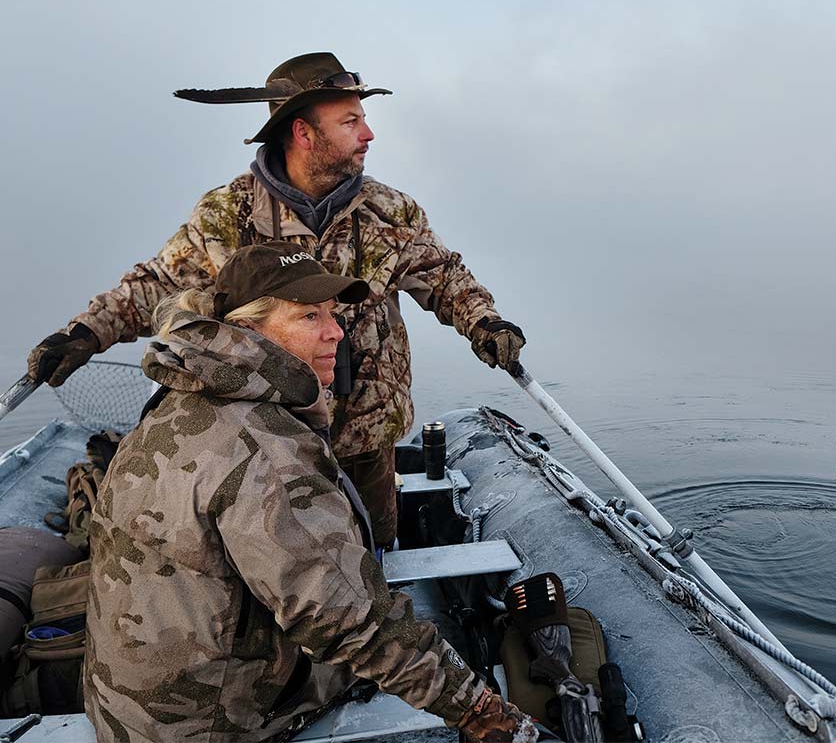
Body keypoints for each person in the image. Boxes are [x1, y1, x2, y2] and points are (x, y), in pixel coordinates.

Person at [27, 51, 526, 548]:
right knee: (283, 558)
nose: (368, 135)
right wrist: (86, 333)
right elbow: (157, 282)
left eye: (364, 120)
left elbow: (443, 277)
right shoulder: (229, 212)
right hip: (262, 435)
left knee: (372, 553)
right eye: (351, 121)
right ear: (304, 133)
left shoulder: (391, 211)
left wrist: (487, 325)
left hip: (366, 435)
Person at [84, 242, 537, 743]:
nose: (336, 332)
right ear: (249, 330)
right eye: (308, 316)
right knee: (395, 638)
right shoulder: (268, 450)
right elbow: (349, 618)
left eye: (333, 314)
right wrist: (480, 711)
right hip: (210, 725)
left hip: (125, 707)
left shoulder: (180, 398)